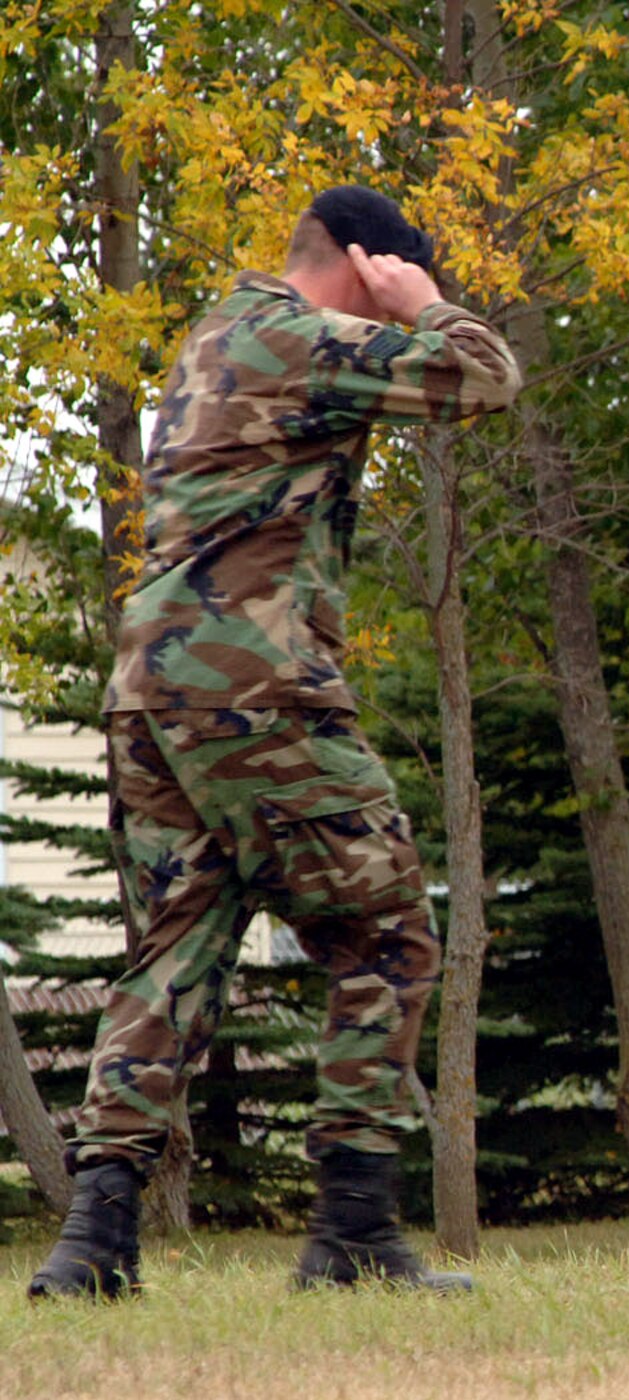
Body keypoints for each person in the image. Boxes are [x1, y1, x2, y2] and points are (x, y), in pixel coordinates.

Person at [29, 186, 522, 1300]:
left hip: (151, 692)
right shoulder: (305, 337)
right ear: (361, 261)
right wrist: (427, 301)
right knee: (387, 933)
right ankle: (351, 1230)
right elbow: (485, 376)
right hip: (256, 688)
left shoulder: (212, 336)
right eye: (384, 284)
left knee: (176, 955)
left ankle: (92, 1243)